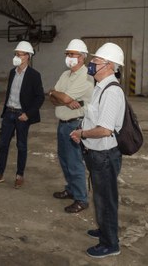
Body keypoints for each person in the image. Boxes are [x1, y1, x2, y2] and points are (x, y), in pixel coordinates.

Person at [70, 42, 125, 258]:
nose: (91, 63)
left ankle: (110, 243)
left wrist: (82, 134)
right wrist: (82, 129)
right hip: (96, 153)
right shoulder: (99, 87)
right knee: (101, 196)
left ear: (109, 66)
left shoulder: (111, 92)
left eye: (96, 61)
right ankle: (104, 229)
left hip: (104, 155)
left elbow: (104, 130)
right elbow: (94, 118)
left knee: (106, 199)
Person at [0, 41, 44, 188]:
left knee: (21, 146)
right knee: (3, 144)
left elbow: (40, 97)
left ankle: (19, 175)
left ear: (27, 56)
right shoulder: (12, 72)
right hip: (9, 113)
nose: (16, 57)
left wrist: (28, 114)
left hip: (22, 116)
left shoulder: (34, 75)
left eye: (19, 54)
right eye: (15, 54)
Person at [49, 39, 94, 213]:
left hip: (75, 124)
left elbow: (65, 99)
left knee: (75, 162)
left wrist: (59, 96)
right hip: (63, 124)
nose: (69, 57)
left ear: (82, 57)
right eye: (67, 54)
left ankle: (81, 199)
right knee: (64, 159)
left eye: (72, 54)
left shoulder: (86, 76)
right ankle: (71, 189)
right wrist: (55, 94)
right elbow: (53, 98)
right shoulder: (65, 75)